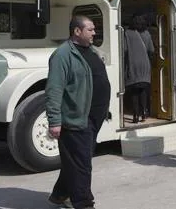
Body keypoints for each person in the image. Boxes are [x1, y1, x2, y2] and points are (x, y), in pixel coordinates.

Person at [46, 16, 110, 209]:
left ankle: (59, 195)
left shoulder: (91, 51)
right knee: (82, 164)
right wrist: (55, 121)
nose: (94, 33)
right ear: (77, 31)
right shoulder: (62, 55)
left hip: (93, 117)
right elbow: (54, 89)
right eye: (90, 29)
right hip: (75, 119)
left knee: (75, 160)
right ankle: (83, 203)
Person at [124, 14, 155, 123]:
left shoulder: (127, 33)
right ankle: (144, 114)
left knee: (134, 91)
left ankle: (135, 116)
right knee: (143, 89)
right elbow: (151, 50)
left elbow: (125, 50)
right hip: (145, 64)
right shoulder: (147, 34)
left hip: (133, 64)